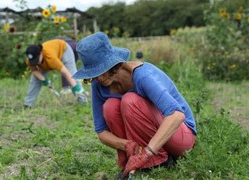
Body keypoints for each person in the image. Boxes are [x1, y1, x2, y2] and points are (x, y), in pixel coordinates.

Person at [72, 32, 197, 178]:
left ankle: (156, 160)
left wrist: (147, 152)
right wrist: (126, 145)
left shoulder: (142, 75)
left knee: (130, 100)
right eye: (94, 73)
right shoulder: (98, 84)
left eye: (101, 70)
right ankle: (137, 162)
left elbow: (176, 115)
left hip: (181, 136)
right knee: (110, 106)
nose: (98, 78)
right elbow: (101, 132)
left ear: (113, 63)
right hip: (152, 139)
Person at [24, 39, 87, 108]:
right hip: (46, 61)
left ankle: (82, 98)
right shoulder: (30, 60)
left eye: (36, 59)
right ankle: (28, 104)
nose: (35, 63)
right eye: (33, 61)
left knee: (72, 74)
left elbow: (65, 72)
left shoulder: (50, 58)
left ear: (41, 53)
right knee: (35, 79)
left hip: (64, 50)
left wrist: (75, 87)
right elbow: (34, 71)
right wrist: (44, 80)